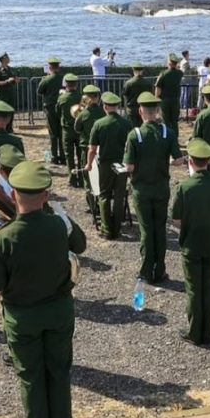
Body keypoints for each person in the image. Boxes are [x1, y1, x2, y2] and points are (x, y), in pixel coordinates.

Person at [0, 161, 86, 418]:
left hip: (22, 317)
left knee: (30, 375)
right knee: (58, 370)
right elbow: (80, 245)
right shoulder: (58, 223)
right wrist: (60, 212)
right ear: (46, 195)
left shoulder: (0, 238)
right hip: (58, 312)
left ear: (13, 193)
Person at [171, 139, 210, 346]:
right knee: (208, 286)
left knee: (193, 289)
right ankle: (208, 331)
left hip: (191, 244)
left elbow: (176, 220)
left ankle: (195, 331)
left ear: (190, 160)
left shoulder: (184, 187)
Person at [124, 92, 185, 284]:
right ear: (157, 111)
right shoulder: (168, 132)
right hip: (161, 189)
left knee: (146, 231)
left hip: (142, 190)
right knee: (160, 230)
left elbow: (129, 167)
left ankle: (146, 271)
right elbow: (179, 160)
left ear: (141, 111)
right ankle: (161, 270)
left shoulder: (135, 135)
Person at [86, 92, 133, 239]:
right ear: (118, 106)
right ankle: (117, 228)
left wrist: (88, 164)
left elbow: (92, 149)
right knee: (119, 196)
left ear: (105, 106)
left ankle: (106, 229)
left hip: (106, 164)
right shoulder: (126, 123)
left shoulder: (99, 124)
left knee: (104, 195)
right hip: (122, 163)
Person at [74, 86, 104, 190]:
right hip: (101, 147)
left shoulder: (83, 114)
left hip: (86, 146)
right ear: (98, 97)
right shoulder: (103, 112)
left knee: (87, 174)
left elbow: (77, 129)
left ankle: (90, 194)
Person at [37, 57, 65, 164]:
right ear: (58, 67)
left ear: (49, 67)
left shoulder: (46, 79)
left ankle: (54, 156)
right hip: (61, 107)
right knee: (61, 132)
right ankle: (63, 156)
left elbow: (39, 91)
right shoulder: (63, 78)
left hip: (50, 107)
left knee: (53, 133)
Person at [57, 74, 83, 187]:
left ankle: (72, 179)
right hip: (79, 129)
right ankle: (82, 178)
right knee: (80, 154)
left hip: (67, 129)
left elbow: (57, 112)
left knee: (69, 155)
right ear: (76, 84)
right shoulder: (82, 97)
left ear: (66, 84)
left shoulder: (62, 98)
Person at [155, 53, 184, 129]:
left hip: (165, 100)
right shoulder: (179, 73)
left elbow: (158, 88)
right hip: (175, 100)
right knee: (174, 121)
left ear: (169, 63)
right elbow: (179, 71)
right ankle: (175, 138)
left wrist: (156, 100)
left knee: (165, 121)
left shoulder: (163, 74)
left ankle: (167, 137)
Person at [122, 62, 153, 128]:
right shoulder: (147, 83)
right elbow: (151, 95)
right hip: (144, 108)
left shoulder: (128, 83)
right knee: (144, 128)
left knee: (133, 129)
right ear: (142, 71)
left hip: (131, 109)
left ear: (133, 71)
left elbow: (124, 95)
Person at [0, 53, 19, 131]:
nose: (8, 59)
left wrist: (16, 80)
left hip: (11, 93)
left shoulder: (11, 69)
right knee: (3, 111)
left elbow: (16, 79)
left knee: (11, 110)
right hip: (3, 94)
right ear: (3, 60)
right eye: (7, 58)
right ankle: (3, 128)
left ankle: (9, 127)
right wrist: (7, 81)